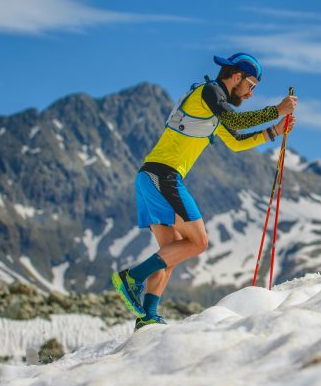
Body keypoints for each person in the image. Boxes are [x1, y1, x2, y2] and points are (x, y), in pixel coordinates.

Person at [111, 52, 296, 329]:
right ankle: (132, 278)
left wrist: (275, 131)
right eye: (252, 86)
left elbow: (236, 142)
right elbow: (236, 122)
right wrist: (276, 110)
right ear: (236, 76)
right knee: (198, 242)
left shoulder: (214, 107)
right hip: (163, 175)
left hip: (150, 177)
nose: (250, 94)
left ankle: (147, 316)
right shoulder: (210, 92)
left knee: (171, 251)